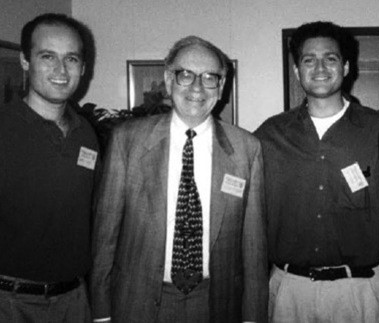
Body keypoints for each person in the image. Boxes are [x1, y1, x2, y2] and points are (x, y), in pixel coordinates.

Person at [90, 36, 268, 323]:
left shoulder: (247, 149)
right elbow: (105, 237)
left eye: (210, 77)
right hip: (138, 302)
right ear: (168, 79)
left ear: (221, 87)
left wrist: (253, 317)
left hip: (216, 303)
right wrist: (101, 313)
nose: (197, 87)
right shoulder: (128, 141)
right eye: (185, 74)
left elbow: (254, 248)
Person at [255, 21, 379, 323]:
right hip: (290, 293)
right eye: (308, 59)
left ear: (345, 67)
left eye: (330, 58)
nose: (319, 67)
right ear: (297, 70)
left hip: (362, 293)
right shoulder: (269, 135)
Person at [0, 13, 99, 322]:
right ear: (25, 61)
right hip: (10, 303)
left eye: (71, 59)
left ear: (82, 68)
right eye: (47, 56)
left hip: (75, 301)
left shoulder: (88, 134)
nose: (61, 70)